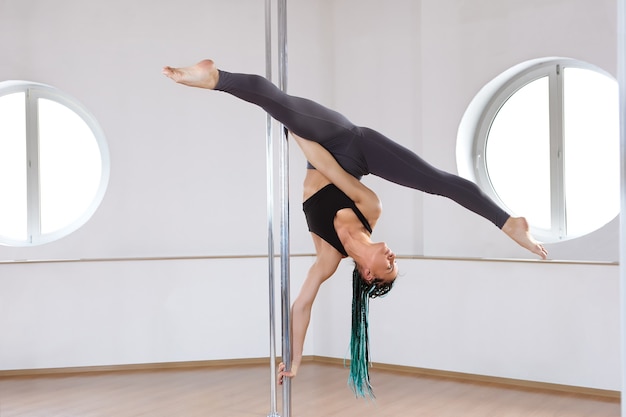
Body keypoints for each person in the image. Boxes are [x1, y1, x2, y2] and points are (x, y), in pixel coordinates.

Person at [162, 59, 548, 396]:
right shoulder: (372, 209)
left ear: (366, 272)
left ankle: (214, 77)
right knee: (438, 182)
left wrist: (294, 360)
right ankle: (508, 221)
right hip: (350, 141)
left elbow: (301, 305)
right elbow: (334, 171)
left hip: (322, 153)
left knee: (281, 105)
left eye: (389, 266)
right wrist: (297, 131)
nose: (393, 257)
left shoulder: (328, 258)